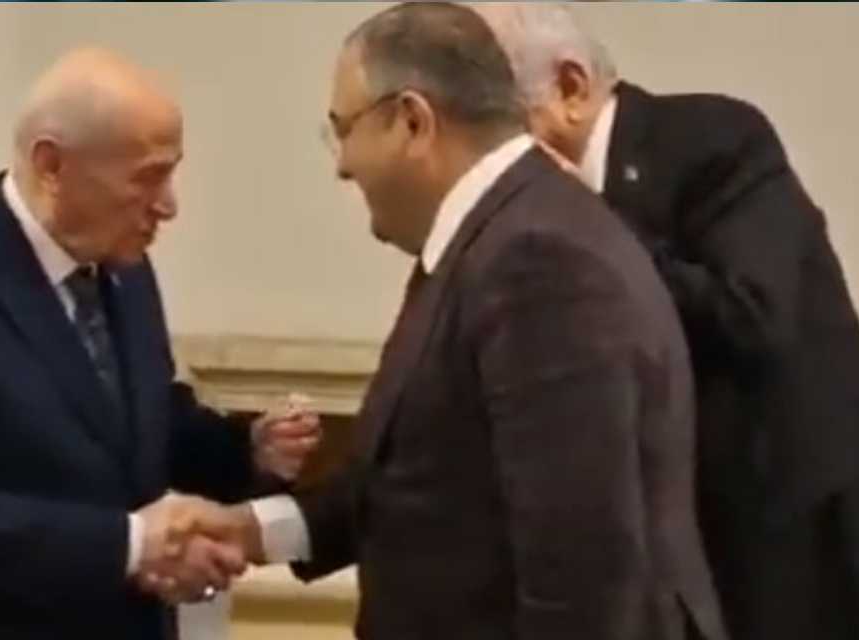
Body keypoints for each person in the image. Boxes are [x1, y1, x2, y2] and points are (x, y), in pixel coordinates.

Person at [198, 3, 725, 638]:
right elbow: (417, 485)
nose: (341, 164)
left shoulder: (536, 259)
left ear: (412, 121)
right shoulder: (494, 237)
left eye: (343, 130)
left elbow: (580, 567)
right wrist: (252, 530)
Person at [0, 47, 320, 640]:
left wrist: (248, 450)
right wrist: (130, 544)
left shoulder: (125, 270)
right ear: (52, 165)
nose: (169, 205)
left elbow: (141, 424)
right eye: (147, 177)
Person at [480, 5, 859, 638]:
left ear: (569, 88)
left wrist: (593, 221)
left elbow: (753, 314)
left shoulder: (712, 138)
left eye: (492, 109)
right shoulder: (523, 219)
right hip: (689, 548)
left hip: (809, 531)